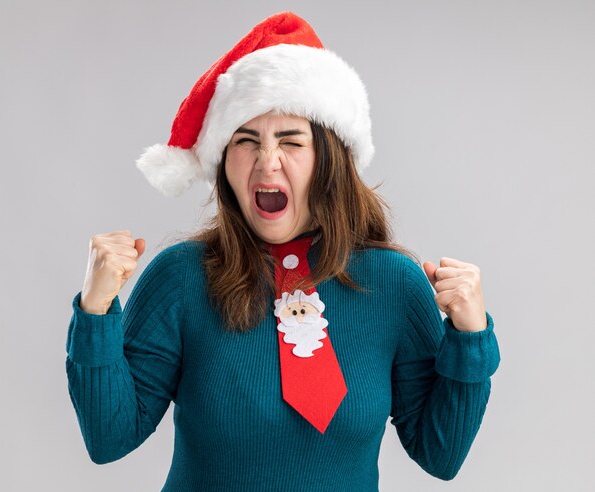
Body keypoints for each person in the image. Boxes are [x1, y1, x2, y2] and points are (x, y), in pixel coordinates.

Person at [66, 11, 501, 491]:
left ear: (328, 160)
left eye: (290, 142)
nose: (265, 160)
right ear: (224, 163)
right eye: (245, 141)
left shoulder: (394, 282)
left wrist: (470, 336)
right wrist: (96, 309)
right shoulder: (182, 277)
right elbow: (108, 440)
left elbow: (440, 455)